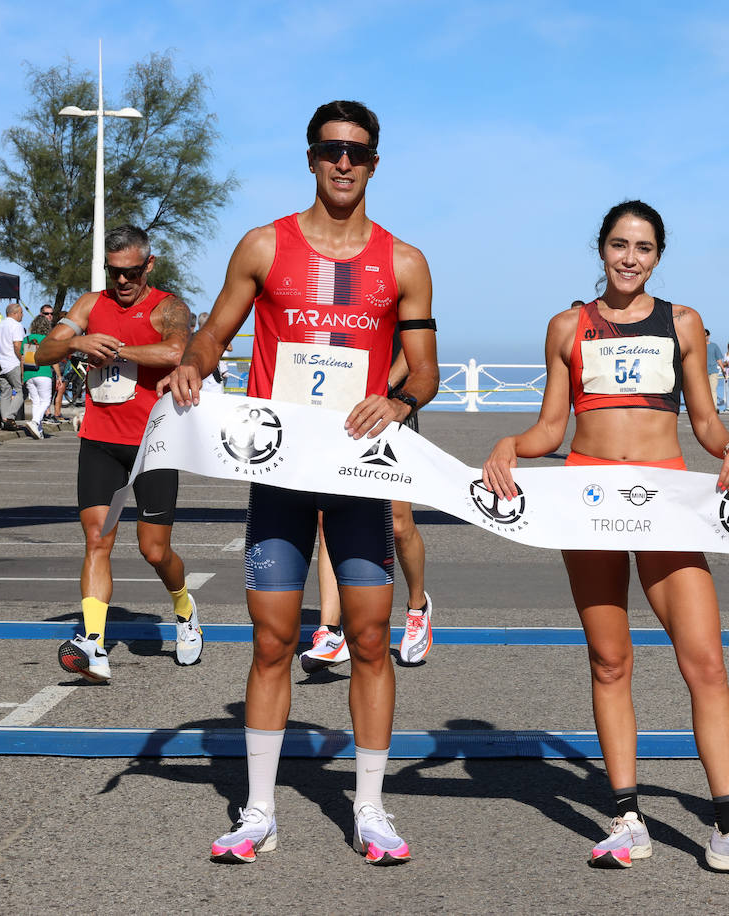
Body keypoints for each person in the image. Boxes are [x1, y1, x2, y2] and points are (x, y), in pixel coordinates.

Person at [160, 100, 438, 866]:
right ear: (311, 158)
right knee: (273, 640)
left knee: (372, 640)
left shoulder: (404, 262)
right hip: (278, 470)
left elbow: (427, 373)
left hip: (357, 470)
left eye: (357, 152)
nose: (343, 163)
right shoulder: (263, 245)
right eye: (330, 150)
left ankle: (372, 810)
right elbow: (216, 330)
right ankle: (256, 812)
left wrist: (401, 399)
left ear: (375, 163)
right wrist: (193, 360)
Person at [482, 199, 729, 884]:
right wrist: (510, 445)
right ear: (601, 250)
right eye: (619, 245)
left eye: (644, 247)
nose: (630, 258)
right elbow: (549, 431)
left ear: (658, 255)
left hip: (669, 504)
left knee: (705, 661)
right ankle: (626, 815)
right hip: (588, 504)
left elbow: (705, 420)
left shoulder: (683, 322)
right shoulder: (567, 326)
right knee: (609, 660)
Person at [34, 224, 203, 682]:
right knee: (97, 540)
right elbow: (41, 353)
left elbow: (175, 351)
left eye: (131, 272)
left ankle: (184, 610)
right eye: (114, 272)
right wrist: (76, 341)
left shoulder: (169, 306)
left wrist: (115, 350)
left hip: (154, 444)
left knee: (154, 550)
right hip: (101, 440)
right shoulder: (91, 304)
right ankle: (93, 643)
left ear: (148, 265)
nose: (122, 282)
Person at [300, 339, 435, 674]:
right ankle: (329, 631)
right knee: (326, 517)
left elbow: (414, 348)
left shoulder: (400, 286)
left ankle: (417, 607)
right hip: (335, 410)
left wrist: (381, 386)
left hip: (386, 408)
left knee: (399, 524)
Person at [0, 303, 27, 431]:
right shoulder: (16, 326)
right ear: (15, 313)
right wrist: (22, 360)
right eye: (21, 313)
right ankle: (10, 417)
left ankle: (4, 420)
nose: (22, 315)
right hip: (13, 363)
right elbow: (17, 346)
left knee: (5, 392)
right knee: (21, 391)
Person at [21, 315, 55, 439]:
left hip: (29, 374)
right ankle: (35, 422)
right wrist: (60, 375)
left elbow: (22, 359)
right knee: (46, 400)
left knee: (36, 402)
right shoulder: (48, 339)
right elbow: (53, 359)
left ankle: (38, 431)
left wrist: (22, 376)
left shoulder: (27, 339)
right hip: (44, 372)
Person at [705, 328, 725, 412]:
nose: (704, 337)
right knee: (704, 391)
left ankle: (713, 407)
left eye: (705, 335)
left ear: (708, 336)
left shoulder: (714, 346)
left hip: (713, 371)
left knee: (713, 390)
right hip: (702, 373)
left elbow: (719, 359)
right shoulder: (697, 345)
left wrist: (723, 369)